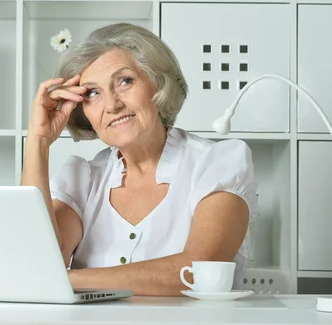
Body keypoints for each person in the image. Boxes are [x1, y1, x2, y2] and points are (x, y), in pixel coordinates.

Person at [21, 22, 258, 296]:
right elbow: (34, 262)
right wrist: (38, 142)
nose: (112, 105)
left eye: (125, 81)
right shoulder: (82, 179)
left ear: (158, 83)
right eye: (93, 93)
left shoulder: (217, 163)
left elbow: (196, 272)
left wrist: (62, 279)